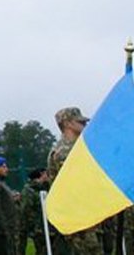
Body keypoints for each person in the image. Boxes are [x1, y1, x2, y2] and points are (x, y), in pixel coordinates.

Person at [48, 107, 101, 255]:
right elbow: (75, 187)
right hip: (79, 219)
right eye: (80, 122)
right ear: (67, 124)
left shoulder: (78, 148)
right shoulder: (63, 152)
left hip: (89, 215)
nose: (84, 125)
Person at [19, 168, 49, 255]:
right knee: (42, 250)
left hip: (44, 225)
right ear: (41, 174)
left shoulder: (44, 188)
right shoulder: (29, 190)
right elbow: (26, 209)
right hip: (37, 226)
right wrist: (32, 226)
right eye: (46, 174)